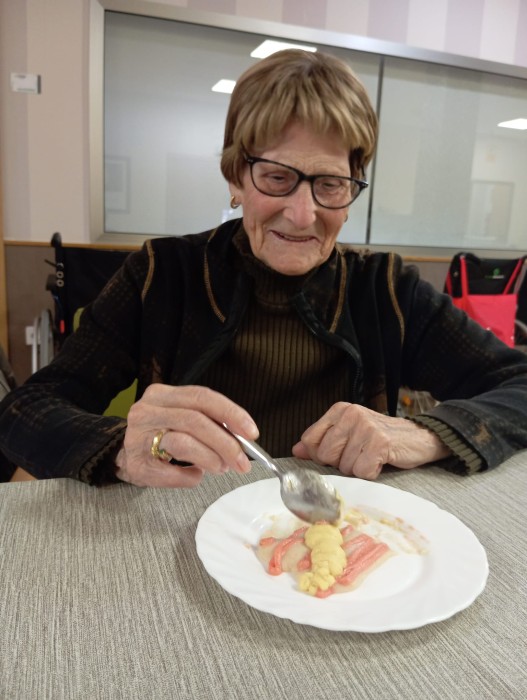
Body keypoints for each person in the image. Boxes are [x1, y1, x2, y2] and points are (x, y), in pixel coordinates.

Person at [1, 49, 527, 488]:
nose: (302, 215)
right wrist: (120, 445)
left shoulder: (386, 290)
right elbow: (25, 412)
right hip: (174, 532)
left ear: (351, 191)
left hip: (338, 542)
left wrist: (427, 433)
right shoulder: (161, 274)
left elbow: (518, 384)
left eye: (330, 184)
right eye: (276, 177)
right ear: (236, 177)